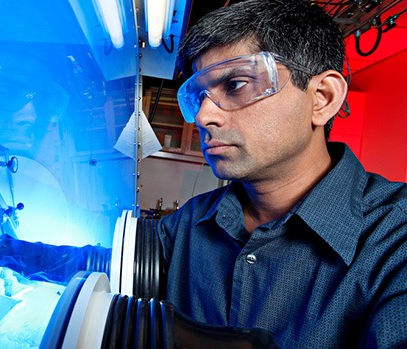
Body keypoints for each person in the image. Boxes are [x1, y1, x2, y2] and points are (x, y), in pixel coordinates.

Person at [161, 0, 407, 348]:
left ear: (322, 97)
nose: (204, 117)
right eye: (200, 95)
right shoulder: (190, 223)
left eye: (235, 85)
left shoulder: (395, 241)